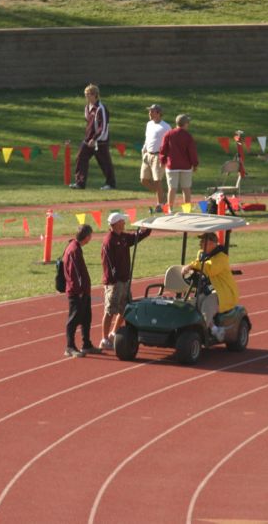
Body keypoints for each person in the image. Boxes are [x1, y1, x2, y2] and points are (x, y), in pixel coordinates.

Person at [99, 212, 151, 350]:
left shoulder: (122, 237)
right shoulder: (109, 241)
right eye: (122, 221)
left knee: (125, 309)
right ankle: (104, 339)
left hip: (124, 281)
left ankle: (113, 333)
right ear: (115, 224)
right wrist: (115, 280)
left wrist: (147, 229)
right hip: (115, 283)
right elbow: (108, 264)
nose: (125, 223)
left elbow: (136, 237)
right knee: (110, 311)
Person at [181, 232, 238, 341]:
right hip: (210, 289)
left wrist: (191, 265)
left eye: (203, 241)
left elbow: (210, 269)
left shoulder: (222, 257)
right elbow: (199, 263)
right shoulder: (202, 254)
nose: (200, 243)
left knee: (207, 305)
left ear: (212, 243)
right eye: (201, 241)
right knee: (194, 303)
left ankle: (198, 334)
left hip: (223, 292)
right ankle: (215, 330)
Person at [70, 84, 117, 190]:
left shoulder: (101, 108)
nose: (86, 97)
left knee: (104, 163)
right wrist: (89, 138)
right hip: (88, 140)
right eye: (85, 94)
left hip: (100, 141)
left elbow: (103, 127)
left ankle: (110, 184)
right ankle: (80, 183)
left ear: (95, 95)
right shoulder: (87, 108)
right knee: (80, 158)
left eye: (88, 94)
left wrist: (95, 138)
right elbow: (89, 122)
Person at [63, 224, 96, 357]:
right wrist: (81, 290)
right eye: (91, 235)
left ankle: (86, 344)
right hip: (77, 292)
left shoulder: (76, 247)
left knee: (86, 317)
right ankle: (70, 347)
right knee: (74, 319)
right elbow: (75, 273)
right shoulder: (74, 250)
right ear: (87, 236)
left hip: (83, 291)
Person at [159, 114, 198, 211]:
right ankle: (187, 210)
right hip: (186, 166)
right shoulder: (188, 136)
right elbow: (192, 151)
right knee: (186, 188)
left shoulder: (169, 134)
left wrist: (162, 160)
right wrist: (195, 164)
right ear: (185, 124)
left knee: (172, 188)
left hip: (172, 166)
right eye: (188, 122)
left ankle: (170, 209)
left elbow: (163, 149)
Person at [141, 104, 171, 213]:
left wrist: (166, 155)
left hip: (158, 156)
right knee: (144, 180)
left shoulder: (166, 127)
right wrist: (144, 149)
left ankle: (160, 204)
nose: (149, 113)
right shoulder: (149, 124)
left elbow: (169, 143)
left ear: (158, 113)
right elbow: (147, 138)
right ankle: (162, 195)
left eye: (152, 111)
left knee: (157, 180)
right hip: (147, 155)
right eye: (149, 111)